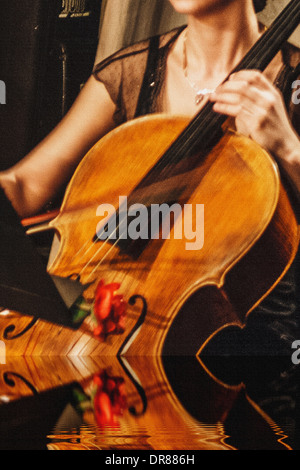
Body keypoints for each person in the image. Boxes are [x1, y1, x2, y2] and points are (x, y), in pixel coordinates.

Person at [0, 0, 300, 354]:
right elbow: (24, 185)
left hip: (255, 348)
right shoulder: (131, 72)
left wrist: (290, 150)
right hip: (119, 330)